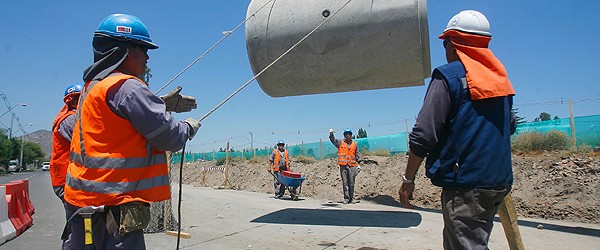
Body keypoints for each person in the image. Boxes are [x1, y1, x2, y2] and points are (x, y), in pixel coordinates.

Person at [63, 14, 201, 249]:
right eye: (143, 48)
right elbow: (170, 136)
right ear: (124, 50)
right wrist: (187, 127)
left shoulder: (93, 87)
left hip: (82, 205)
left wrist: (158, 103)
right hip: (115, 209)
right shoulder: (128, 87)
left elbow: (118, 126)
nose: (147, 57)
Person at [398, 10, 516, 249]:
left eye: (446, 43)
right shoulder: (500, 80)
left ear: (453, 44)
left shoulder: (448, 77)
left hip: (465, 184)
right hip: (497, 180)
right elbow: (509, 125)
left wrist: (408, 179)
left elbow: (423, 135)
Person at [50, 83, 82, 249]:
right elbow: (86, 144)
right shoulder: (70, 120)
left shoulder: (69, 117)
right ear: (73, 101)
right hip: (67, 182)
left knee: (78, 224)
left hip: (67, 180)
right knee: (77, 226)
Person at [329, 128, 361, 204]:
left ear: (351, 135)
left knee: (352, 182)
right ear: (344, 135)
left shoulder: (355, 144)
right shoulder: (340, 143)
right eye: (346, 134)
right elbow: (333, 140)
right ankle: (346, 198)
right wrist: (331, 134)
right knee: (345, 182)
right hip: (343, 166)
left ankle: (351, 198)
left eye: (349, 134)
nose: (348, 135)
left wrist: (359, 165)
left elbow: (357, 154)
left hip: (352, 166)